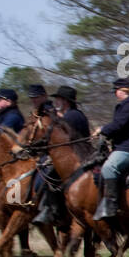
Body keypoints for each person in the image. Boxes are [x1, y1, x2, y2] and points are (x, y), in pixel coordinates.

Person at [92, 78, 129, 220]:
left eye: (116, 91)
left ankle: (112, 205)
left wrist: (102, 130)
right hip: (127, 144)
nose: (115, 94)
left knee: (108, 168)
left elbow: (118, 125)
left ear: (123, 91)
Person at [32, 86, 86, 226]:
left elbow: (61, 138)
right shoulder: (68, 114)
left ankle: (52, 211)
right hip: (70, 154)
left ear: (65, 101)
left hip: (77, 155)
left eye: (58, 99)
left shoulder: (73, 116)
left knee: (49, 176)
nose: (55, 101)